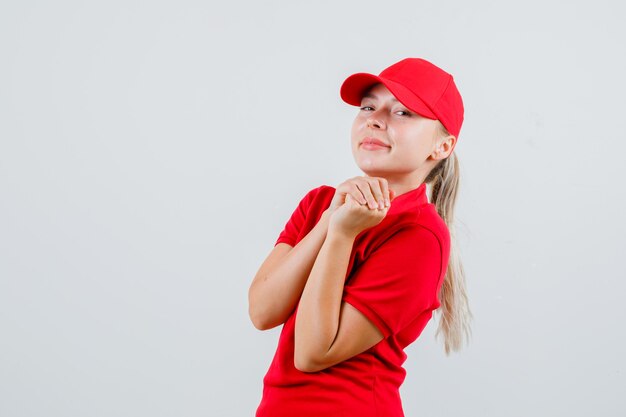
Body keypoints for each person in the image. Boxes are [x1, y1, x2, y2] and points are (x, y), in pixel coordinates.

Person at [248, 57, 473, 417]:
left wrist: (341, 235)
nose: (374, 119)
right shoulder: (320, 203)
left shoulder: (420, 237)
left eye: (403, 113)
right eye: (368, 106)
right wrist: (328, 221)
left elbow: (312, 353)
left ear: (442, 147)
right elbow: (261, 311)